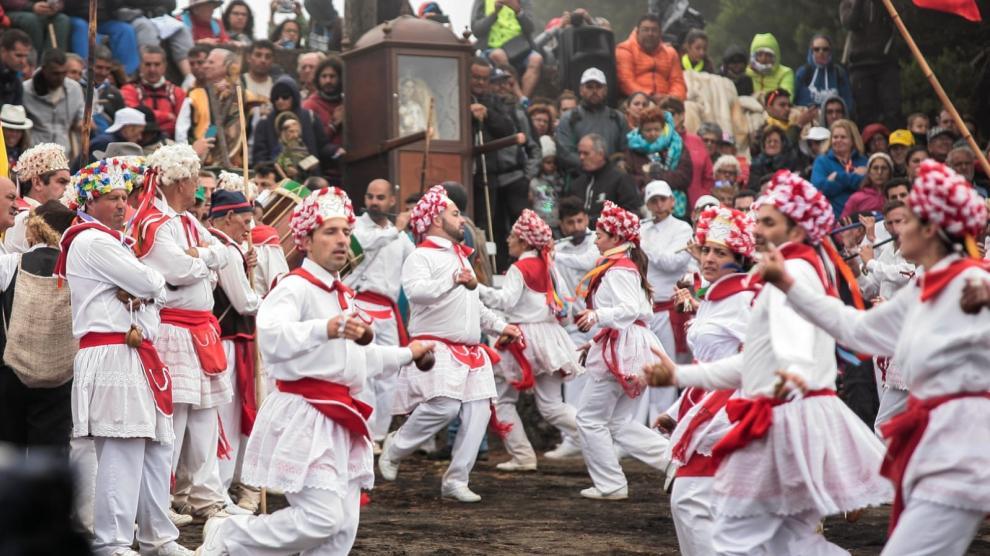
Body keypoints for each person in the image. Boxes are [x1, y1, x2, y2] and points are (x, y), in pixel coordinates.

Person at [644, 170, 891, 554]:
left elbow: (783, 353)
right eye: (758, 220)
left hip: (785, 416)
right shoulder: (784, 270)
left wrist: (783, 376)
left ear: (796, 228)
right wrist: (681, 375)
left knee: (736, 525)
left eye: (768, 222)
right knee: (780, 538)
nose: (756, 229)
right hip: (780, 410)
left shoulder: (793, 271)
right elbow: (756, 360)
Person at [758, 160, 988, 556]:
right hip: (937, 448)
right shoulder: (923, 288)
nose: (895, 228)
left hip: (961, 451)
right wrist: (788, 284)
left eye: (906, 220)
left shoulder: (973, 280)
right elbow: (855, 329)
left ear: (930, 230)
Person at [197, 187, 433, 555]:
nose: (342, 240)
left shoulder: (343, 296)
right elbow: (272, 337)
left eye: (345, 232)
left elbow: (358, 360)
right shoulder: (294, 287)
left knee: (342, 529)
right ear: (305, 240)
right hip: (305, 415)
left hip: (341, 415)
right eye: (330, 232)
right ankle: (231, 535)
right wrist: (327, 328)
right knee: (321, 518)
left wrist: (408, 353)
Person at [58, 158, 193, 556]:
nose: (122, 205)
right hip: (112, 352)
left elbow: (155, 293)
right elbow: (151, 281)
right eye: (111, 198)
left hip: (134, 352)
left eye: (123, 197)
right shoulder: (91, 240)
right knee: (123, 446)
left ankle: (157, 537)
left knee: (156, 446)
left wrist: (147, 292)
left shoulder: (114, 242)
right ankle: (111, 541)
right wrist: (147, 288)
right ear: (89, 202)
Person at [379, 185, 522, 503]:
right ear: (435, 219)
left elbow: (474, 305)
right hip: (437, 346)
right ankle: (396, 446)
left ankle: (457, 480)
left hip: (471, 350)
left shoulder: (461, 258)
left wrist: (501, 326)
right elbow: (417, 293)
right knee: (444, 406)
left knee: (478, 415)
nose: (461, 220)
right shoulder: (420, 256)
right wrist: (451, 280)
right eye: (455, 214)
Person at [130, 144, 233, 521]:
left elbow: (224, 252)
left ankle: (206, 495)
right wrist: (204, 260)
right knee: (173, 418)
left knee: (204, 414)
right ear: (179, 182)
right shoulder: (156, 223)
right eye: (194, 180)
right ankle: (160, 500)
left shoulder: (186, 221)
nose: (199, 189)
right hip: (172, 330)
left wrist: (200, 257)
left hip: (200, 331)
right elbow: (178, 270)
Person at [662, 206, 756, 556]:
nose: (709, 258)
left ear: (739, 258)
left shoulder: (744, 298)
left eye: (720, 252)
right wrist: (677, 410)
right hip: (707, 402)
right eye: (706, 250)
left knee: (689, 501)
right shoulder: (716, 296)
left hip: (728, 410)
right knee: (698, 505)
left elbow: (761, 356)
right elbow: (705, 363)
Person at [572, 200, 669, 499]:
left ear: (616, 238)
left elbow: (628, 310)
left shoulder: (620, 269)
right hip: (627, 343)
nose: (595, 239)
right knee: (617, 422)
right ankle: (673, 461)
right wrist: (595, 338)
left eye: (600, 234)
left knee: (589, 419)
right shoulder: (622, 267)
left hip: (625, 347)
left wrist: (596, 316)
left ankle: (611, 483)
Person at [479, 209, 583, 471]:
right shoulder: (550, 266)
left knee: (502, 400)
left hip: (521, 338)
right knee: (552, 406)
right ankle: (597, 436)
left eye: (512, 236)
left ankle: (523, 456)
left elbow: (505, 301)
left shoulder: (520, 268)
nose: (508, 240)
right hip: (549, 337)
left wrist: (475, 288)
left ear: (524, 242)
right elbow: (566, 307)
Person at [343, 179, 415, 446]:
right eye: (370, 196)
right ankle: (366, 434)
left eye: (380, 197)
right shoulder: (355, 227)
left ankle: (380, 436)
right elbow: (365, 245)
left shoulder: (401, 237)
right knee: (365, 371)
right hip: (360, 307)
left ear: (391, 201)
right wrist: (397, 230)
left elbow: (416, 262)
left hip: (388, 311)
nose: (374, 202)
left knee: (390, 373)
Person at [0, 200, 75, 457]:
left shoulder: (11, 263)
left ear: (32, 231)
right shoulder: (75, 269)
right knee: (52, 457)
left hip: (13, 371)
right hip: (61, 375)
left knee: (10, 451)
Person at [205, 186, 263, 515]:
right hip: (225, 344)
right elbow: (245, 302)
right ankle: (220, 490)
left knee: (224, 417)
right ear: (228, 217)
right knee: (226, 418)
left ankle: (221, 487)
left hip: (225, 341)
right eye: (246, 220)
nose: (249, 228)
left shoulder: (221, 245)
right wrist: (272, 300)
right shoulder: (223, 248)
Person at [853, 199, 914, 432]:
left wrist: (870, 262)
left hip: (909, 341)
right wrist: (856, 271)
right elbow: (870, 289)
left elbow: (907, 273)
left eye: (900, 221)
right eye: (890, 223)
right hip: (885, 341)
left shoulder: (917, 250)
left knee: (885, 425)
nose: (895, 228)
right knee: (887, 413)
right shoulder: (888, 250)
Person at [639, 180, 694, 417]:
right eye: (654, 201)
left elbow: (674, 262)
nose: (659, 205)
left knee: (666, 367)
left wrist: (643, 246)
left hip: (668, 309)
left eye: (663, 199)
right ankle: (642, 425)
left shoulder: (683, 229)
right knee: (643, 367)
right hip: (645, 310)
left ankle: (664, 423)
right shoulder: (643, 229)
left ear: (672, 201)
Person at [555, 68, 629, 174]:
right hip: (579, 177)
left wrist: (620, 162)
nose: (594, 91)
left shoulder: (618, 118)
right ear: (581, 90)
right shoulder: (568, 119)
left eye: (598, 87)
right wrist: (592, 164)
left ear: (605, 90)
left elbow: (625, 151)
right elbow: (565, 153)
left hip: (612, 176)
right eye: (589, 87)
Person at [840, 0, 901, 129]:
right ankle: (867, 139)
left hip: (886, 63)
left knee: (892, 109)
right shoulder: (848, 2)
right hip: (860, 65)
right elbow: (850, 23)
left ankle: (893, 139)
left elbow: (901, 18)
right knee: (864, 111)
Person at [253, 75, 331, 170]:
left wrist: (336, 151)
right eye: (276, 97)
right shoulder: (265, 123)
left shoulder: (309, 117)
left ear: (294, 97)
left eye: (285, 97)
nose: (280, 101)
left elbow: (322, 146)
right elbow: (259, 156)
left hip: (309, 174)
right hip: (276, 175)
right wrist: (270, 170)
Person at [470, 0, 543, 99]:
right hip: (493, 48)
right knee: (498, 55)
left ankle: (524, 100)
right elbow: (476, 30)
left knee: (536, 59)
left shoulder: (523, 1)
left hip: (521, 48)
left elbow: (530, 28)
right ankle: (519, 96)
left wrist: (518, 11)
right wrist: (495, 14)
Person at [5, 142, 69, 254]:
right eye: (61, 182)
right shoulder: (24, 217)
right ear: (37, 182)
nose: (67, 188)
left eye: (68, 183)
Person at [22, 49, 84, 154]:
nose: (60, 78)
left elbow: (80, 117)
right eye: (55, 73)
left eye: (64, 73)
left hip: (63, 154)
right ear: (44, 69)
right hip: (33, 155)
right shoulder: (25, 90)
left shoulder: (75, 89)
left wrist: (84, 123)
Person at [571, 133, 640, 224]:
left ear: (601, 154)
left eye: (586, 153)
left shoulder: (620, 179)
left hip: (610, 231)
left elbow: (631, 213)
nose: (581, 157)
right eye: (579, 153)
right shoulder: (577, 184)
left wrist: (596, 222)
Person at [120, 46, 186, 140]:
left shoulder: (177, 92)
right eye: (148, 64)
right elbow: (134, 115)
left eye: (157, 64)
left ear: (164, 66)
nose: (152, 69)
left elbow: (182, 123)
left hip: (171, 142)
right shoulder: (129, 90)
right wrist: (167, 116)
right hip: (139, 141)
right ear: (140, 66)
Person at [615, 14, 686, 100]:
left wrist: (672, 99)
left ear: (660, 33)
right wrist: (649, 96)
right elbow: (626, 81)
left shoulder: (671, 53)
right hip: (635, 100)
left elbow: (678, 82)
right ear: (638, 31)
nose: (650, 34)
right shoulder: (625, 50)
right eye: (645, 30)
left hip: (666, 100)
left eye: (654, 30)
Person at [625, 106, 692, 193]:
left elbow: (684, 176)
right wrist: (646, 181)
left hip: (675, 197)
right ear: (641, 131)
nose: (653, 133)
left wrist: (657, 177)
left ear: (663, 129)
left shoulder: (676, 145)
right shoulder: (632, 149)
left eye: (657, 129)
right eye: (648, 130)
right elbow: (628, 178)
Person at [811, 118, 868, 217]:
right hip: (833, 218)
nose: (838, 140)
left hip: (862, 216)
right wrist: (854, 177)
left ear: (853, 140)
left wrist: (836, 179)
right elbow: (818, 190)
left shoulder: (863, 161)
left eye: (843, 137)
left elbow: (868, 186)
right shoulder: (822, 161)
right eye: (835, 137)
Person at [302, 56, 345, 182]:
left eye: (332, 76)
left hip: (345, 169)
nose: (328, 80)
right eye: (324, 76)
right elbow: (312, 142)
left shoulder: (345, 103)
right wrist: (333, 125)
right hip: (322, 174)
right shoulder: (310, 106)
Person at [793, 35, 853, 111]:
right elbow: (793, 101)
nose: (821, 52)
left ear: (830, 51)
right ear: (811, 51)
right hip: (807, 116)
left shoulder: (839, 73)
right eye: (816, 49)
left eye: (825, 49)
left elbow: (848, 103)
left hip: (834, 116)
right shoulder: (803, 72)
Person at [3, 0, 69, 56]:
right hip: (12, 11)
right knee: (32, 21)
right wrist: (31, 6)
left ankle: (54, 61)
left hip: (40, 10)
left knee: (62, 20)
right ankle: (34, 62)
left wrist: (55, 6)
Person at [747, 126, 801, 191]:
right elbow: (753, 188)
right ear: (764, 145)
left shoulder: (791, 161)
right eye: (769, 141)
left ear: (782, 144)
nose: (772, 144)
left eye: (776, 141)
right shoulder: (756, 164)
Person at [841, 152, 892, 219]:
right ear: (869, 172)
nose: (879, 172)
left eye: (884, 168)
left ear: (890, 172)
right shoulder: (856, 198)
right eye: (875, 168)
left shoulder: (896, 196)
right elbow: (843, 222)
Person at [529, 136, 563, 228]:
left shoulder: (559, 180)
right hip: (540, 224)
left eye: (554, 162)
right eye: (548, 162)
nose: (552, 165)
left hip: (556, 222)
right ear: (541, 163)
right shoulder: (535, 182)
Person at [0, 29, 29, 106]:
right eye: (18, 55)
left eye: (26, 56)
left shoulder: (16, 82)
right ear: (3, 51)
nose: (23, 61)